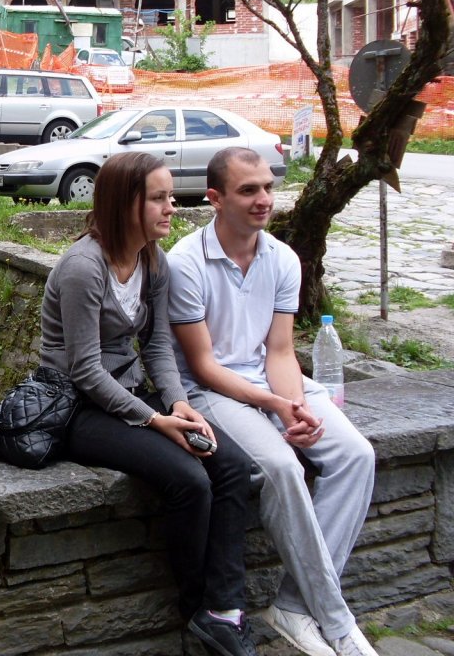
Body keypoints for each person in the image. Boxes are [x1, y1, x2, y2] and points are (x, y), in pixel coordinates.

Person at [39, 151, 257, 656]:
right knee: (187, 480)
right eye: (157, 198)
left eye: (169, 195)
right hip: (76, 407)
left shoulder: (152, 260)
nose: (171, 207)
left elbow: (158, 345)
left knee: (232, 467)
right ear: (124, 203)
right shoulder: (82, 268)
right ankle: (196, 605)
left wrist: (180, 404)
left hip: (134, 395)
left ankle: (225, 609)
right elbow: (85, 370)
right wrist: (157, 420)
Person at [167, 147, 377, 656]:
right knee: (282, 467)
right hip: (210, 393)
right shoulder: (184, 264)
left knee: (356, 455)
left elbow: (280, 350)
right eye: (248, 190)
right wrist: (276, 407)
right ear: (215, 198)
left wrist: (294, 407)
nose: (264, 199)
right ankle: (336, 619)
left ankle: (293, 607)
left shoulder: (282, 258)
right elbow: (204, 366)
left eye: (267, 187)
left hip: (269, 382)